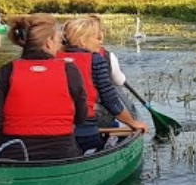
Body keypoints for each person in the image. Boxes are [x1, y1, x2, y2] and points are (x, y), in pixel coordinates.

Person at [0, 13, 88, 161]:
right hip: (62, 155)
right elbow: (81, 118)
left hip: (14, 156)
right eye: (58, 40)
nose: (59, 46)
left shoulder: (6, 72)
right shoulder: (70, 71)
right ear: (48, 42)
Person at [60, 15, 148, 152]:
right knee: (112, 134)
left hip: (58, 131)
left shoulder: (52, 59)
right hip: (86, 132)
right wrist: (132, 123)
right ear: (82, 42)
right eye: (97, 38)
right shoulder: (96, 60)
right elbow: (110, 100)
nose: (101, 42)